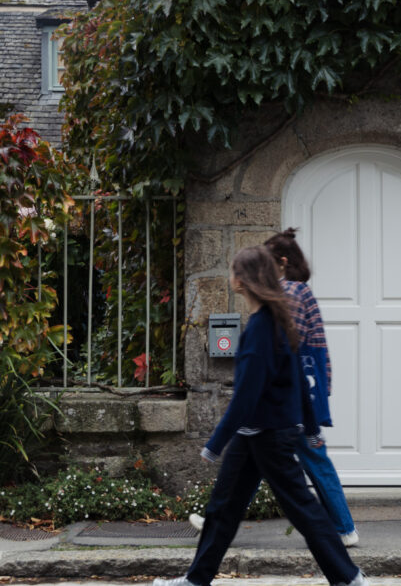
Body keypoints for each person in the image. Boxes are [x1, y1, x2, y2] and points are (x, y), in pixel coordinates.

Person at [155, 246, 366, 586]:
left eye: (231, 271)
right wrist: (310, 428)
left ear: (242, 280)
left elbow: (245, 398)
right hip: (257, 434)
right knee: (222, 509)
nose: (229, 277)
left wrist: (214, 444)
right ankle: (196, 580)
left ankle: (350, 578)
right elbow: (299, 380)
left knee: (304, 511)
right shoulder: (275, 319)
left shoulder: (261, 328)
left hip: (270, 435)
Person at [191, 229, 359, 547]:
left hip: (290, 397)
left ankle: (343, 529)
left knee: (310, 462)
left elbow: (284, 347)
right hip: (293, 395)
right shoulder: (297, 290)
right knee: (255, 464)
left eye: (268, 263)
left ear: (281, 263)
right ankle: (218, 522)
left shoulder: (290, 292)